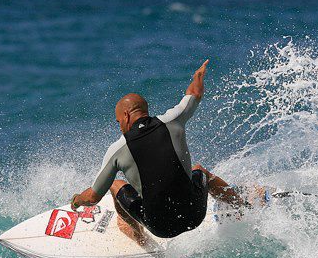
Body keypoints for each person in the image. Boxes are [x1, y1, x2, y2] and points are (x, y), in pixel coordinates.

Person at [70, 60, 244, 245]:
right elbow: (195, 93)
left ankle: (138, 235)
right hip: (194, 215)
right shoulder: (173, 119)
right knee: (199, 170)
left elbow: (93, 197)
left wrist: (76, 201)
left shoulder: (117, 149)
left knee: (115, 184)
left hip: (161, 228)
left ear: (126, 116)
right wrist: (198, 76)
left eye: (118, 121)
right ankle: (241, 205)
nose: (120, 126)